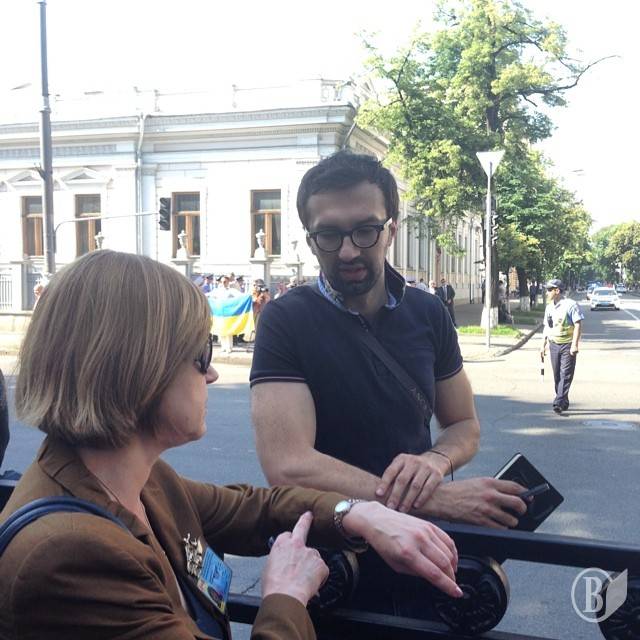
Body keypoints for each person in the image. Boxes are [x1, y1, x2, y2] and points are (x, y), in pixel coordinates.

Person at [0, 250, 463, 640]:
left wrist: (359, 513)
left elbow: (251, 508)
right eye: (201, 353)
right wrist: (285, 597)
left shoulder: (134, 478)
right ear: (140, 370)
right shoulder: (71, 556)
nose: (212, 373)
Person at [250, 151, 527, 617]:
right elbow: (288, 465)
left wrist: (437, 460)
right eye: (329, 235)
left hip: (422, 555)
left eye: (365, 230)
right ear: (311, 241)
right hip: (332, 566)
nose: (348, 251)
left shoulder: (429, 313)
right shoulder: (285, 320)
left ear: (391, 231)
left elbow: (464, 425)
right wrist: (435, 498)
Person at [540, 278, 584, 414]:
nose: (547, 293)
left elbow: (578, 324)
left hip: (567, 345)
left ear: (557, 291)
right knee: (557, 375)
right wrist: (543, 345)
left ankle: (558, 402)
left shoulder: (571, 305)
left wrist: (574, 345)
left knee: (565, 374)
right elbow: (547, 327)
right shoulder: (549, 307)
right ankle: (563, 400)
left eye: (549, 290)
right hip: (554, 344)